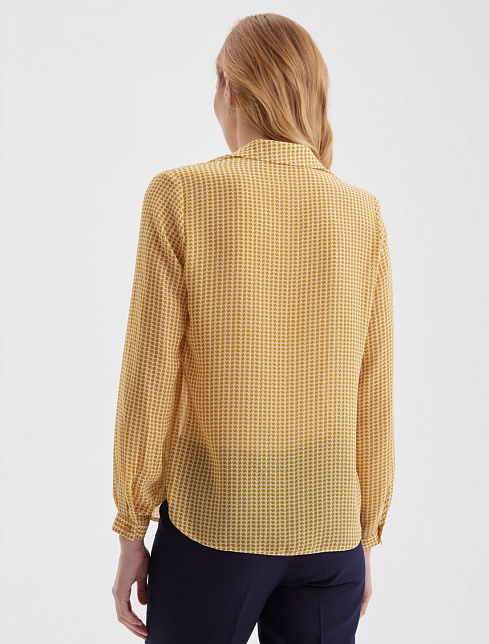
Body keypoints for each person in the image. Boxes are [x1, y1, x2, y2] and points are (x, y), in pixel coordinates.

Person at [111, 12, 395, 644]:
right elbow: (373, 389)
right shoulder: (362, 213)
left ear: (229, 89)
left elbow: (151, 373)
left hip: (219, 525)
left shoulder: (180, 195)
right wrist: (364, 534)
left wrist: (132, 526)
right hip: (329, 532)